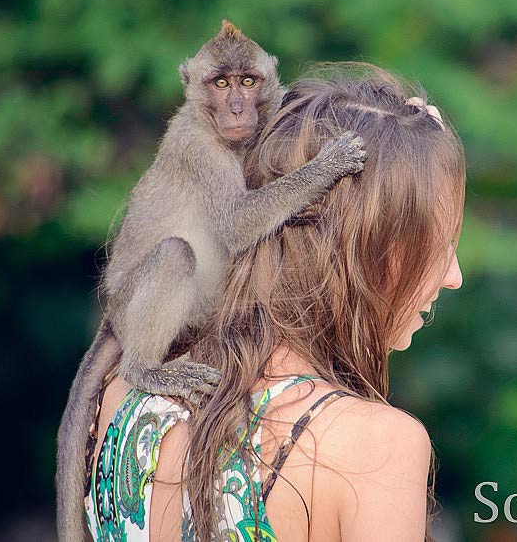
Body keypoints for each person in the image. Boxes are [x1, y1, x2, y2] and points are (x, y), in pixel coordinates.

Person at [84, 63, 465, 541]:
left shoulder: (121, 395)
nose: (454, 276)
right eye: (440, 244)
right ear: (372, 250)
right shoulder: (376, 447)